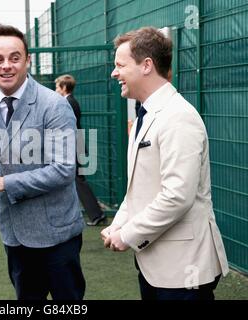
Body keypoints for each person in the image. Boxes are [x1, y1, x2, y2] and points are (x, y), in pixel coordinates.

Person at [101, 27, 229, 300]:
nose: (114, 73)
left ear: (146, 65)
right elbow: (140, 187)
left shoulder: (178, 116)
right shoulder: (145, 115)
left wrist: (128, 235)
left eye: (120, 65)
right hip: (157, 266)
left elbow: (177, 196)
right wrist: (119, 224)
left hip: (183, 270)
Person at [0, 24, 85, 300]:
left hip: (57, 235)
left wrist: (4, 183)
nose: (6, 66)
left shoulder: (54, 105)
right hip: (15, 235)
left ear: (27, 61)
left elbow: (63, 170)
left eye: (14, 57)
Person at [55, 74, 106, 226]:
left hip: (73, 146)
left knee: (78, 180)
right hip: (74, 145)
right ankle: (96, 213)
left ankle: (96, 214)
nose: (56, 90)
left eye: (58, 87)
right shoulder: (70, 102)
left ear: (64, 88)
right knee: (75, 180)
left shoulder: (69, 103)